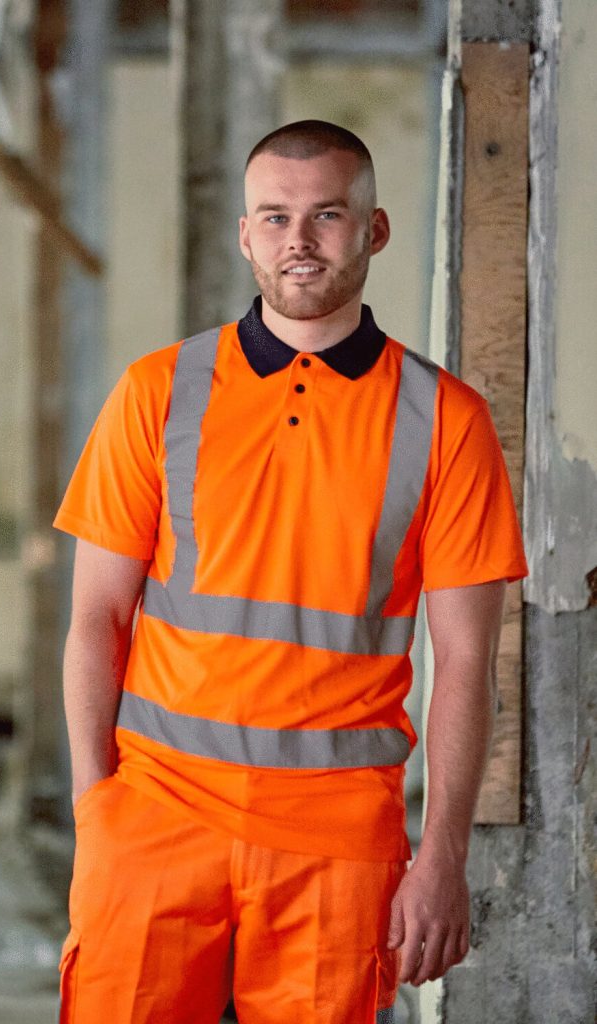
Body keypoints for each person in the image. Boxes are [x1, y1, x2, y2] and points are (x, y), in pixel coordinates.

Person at [52, 120, 528, 1024]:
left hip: (336, 837)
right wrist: (94, 815)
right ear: (244, 234)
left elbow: (467, 659)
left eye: (326, 215)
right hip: (155, 818)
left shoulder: (444, 420)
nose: (297, 241)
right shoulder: (159, 391)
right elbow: (95, 619)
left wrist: (443, 856)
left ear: (374, 230)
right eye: (273, 218)